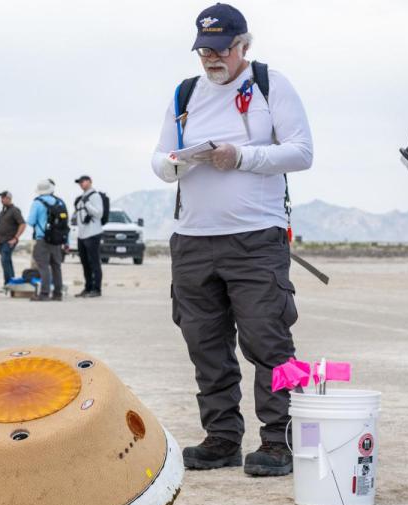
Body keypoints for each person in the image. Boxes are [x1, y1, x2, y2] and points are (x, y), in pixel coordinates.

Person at [150, 3, 313, 477]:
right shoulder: (185, 93)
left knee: (273, 341)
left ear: (244, 45)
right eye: (205, 50)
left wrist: (238, 156)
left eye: (222, 50)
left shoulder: (270, 85)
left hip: (256, 239)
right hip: (193, 240)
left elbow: (301, 153)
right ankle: (221, 438)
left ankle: (280, 440)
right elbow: (159, 160)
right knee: (205, 344)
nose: (212, 59)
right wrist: (178, 163)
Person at [25, 179, 68, 302]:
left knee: (43, 266)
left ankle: (44, 293)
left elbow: (31, 221)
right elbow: (64, 224)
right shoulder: (60, 202)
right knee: (56, 266)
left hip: (42, 239)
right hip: (57, 240)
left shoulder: (37, 203)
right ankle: (57, 293)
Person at [72, 175, 104, 298]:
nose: (81, 184)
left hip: (93, 233)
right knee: (85, 262)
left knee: (94, 262)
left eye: (83, 181)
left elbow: (99, 214)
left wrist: (88, 205)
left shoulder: (95, 196)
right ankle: (88, 287)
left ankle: (97, 289)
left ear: (90, 181)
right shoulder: (82, 198)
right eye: (79, 182)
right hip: (82, 235)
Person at [0, 190, 26, 285]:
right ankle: (11, 282)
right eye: (1, 198)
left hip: (9, 241)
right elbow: (0, 230)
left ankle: (8, 282)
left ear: (9, 198)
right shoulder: (2, 213)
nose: (2, 200)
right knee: (6, 261)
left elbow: (23, 224)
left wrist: (15, 238)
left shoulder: (15, 210)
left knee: (5, 260)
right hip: (1, 241)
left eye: (3, 198)